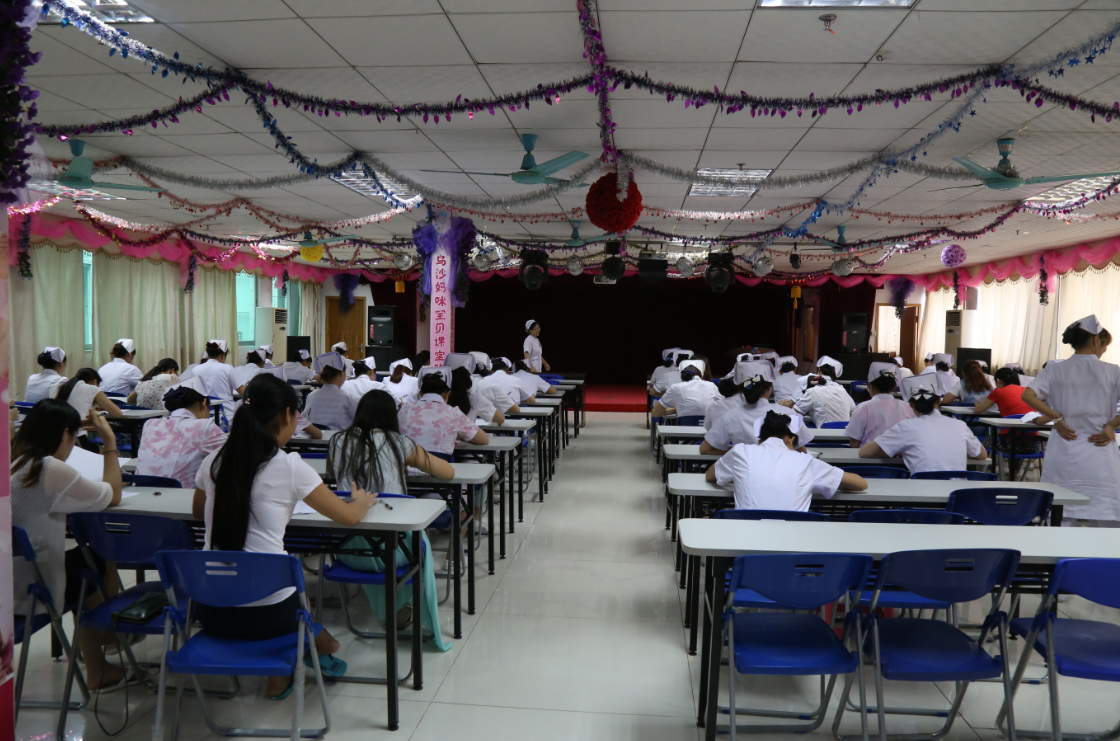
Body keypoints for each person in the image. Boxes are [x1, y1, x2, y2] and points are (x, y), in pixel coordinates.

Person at [192, 374, 372, 696]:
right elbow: (348, 517)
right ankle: (294, 661)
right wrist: (361, 501)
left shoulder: (213, 462)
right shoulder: (289, 466)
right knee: (293, 592)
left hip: (210, 610)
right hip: (270, 616)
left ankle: (305, 652)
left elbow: (197, 512)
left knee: (284, 588)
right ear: (287, 415)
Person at [327, 390, 455, 647]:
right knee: (417, 534)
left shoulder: (337, 440)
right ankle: (401, 608)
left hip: (346, 548)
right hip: (392, 550)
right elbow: (447, 472)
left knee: (381, 533)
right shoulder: (397, 442)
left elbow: (333, 475)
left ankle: (391, 609)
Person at [11, 399, 125, 689]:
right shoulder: (48, 468)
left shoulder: (12, 459)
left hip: (6, 586)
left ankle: (107, 646)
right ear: (64, 434)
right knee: (96, 560)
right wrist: (109, 442)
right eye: (74, 437)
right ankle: (107, 644)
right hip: (31, 591)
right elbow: (112, 495)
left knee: (82, 564)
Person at [1022, 315, 1120, 525]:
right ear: (1096, 340)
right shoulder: (1113, 371)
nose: (1104, 350)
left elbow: (1028, 395)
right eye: (1105, 344)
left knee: (1060, 513)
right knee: (1106, 515)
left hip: (1064, 448)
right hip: (1100, 451)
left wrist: (1057, 417)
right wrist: (1112, 425)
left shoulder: (1054, 369)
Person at [706, 410, 867, 511]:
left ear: (760, 441)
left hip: (745, 541)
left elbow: (710, 475)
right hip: (792, 543)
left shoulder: (740, 451)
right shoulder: (806, 462)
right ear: (790, 440)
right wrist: (822, 481)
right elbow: (861, 484)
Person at [859, 375, 987, 474]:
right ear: (939, 400)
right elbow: (982, 455)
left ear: (910, 404)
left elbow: (865, 452)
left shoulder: (906, 426)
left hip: (922, 492)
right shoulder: (960, 425)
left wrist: (899, 450)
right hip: (956, 496)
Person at [701, 360, 816, 453]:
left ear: (741, 389)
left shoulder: (729, 416)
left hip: (746, 472)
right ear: (769, 388)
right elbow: (801, 452)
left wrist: (738, 451)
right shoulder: (788, 413)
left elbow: (705, 449)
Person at [135, 376, 226, 488]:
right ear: (204, 403)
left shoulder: (150, 424)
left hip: (142, 491)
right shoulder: (205, 426)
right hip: (183, 495)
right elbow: (234, 455)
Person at [398, 371, 489, 455]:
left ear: (420, 393)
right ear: (447, 394)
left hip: (406, 463)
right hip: (438, 464)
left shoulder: (405, 409)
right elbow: (483, 439)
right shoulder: (453, 413)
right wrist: (457, 434)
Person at [52, 369, 123, 451]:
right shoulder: (93, 389)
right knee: (109, 452)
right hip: (76, 439)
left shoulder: (58, 387)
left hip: (55, 438)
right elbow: (117, 413)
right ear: (95, 382)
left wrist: (92, 406)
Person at [846, 362, 914, 447]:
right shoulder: (907, 407)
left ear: (870, 386)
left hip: (868, 454)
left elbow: (854, 443)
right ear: (894, 386)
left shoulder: (863, 408)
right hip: (899, 454)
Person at [784, 366, 855, 427]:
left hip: (825, 434)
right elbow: (852, 412)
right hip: (845, 434)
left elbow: (794, 412)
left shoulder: (812, 391)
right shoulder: (842, 389)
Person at [191, 340, 244, 421]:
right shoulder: (227, 368)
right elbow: (243, 391)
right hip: (226, 416)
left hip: (203, 417)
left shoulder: (195, 370)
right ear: (223, 355)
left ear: (208, 354)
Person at [651, 358, 720, 421]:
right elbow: (722, 407)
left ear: (681, 377)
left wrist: (677, 409)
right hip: (709, 428)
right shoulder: (712, 386)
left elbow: (655, 413)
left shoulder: (676, 387)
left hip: (684, 427)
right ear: (702, 376)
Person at [304, 352, 358, 430]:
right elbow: (359, 420)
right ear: (341, 373)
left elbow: (304, 419)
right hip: (338, 437)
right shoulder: (348, 397)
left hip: (315, 436)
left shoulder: (311, 396)